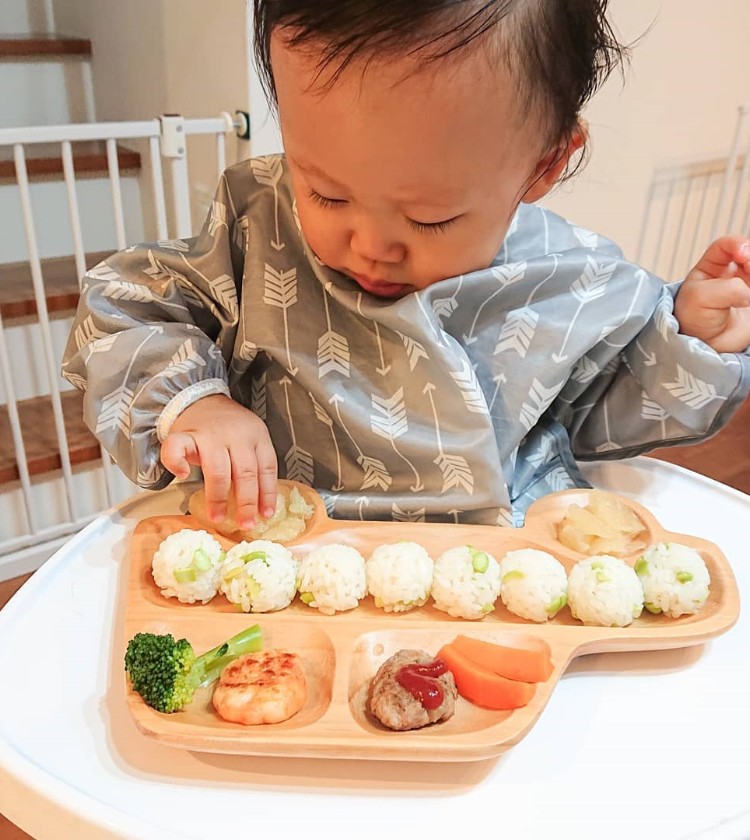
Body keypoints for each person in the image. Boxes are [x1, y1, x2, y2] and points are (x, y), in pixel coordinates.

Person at [62, 0, 750, 533]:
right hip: (289, 551)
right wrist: (194, 402)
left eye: (430, 219)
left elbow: (609, 413)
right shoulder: (258, 225)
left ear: (543, 165)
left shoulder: (572, 279)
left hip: (497, 567)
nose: (372, 244)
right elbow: (125, 304)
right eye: (327, 193)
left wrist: (689, 339)